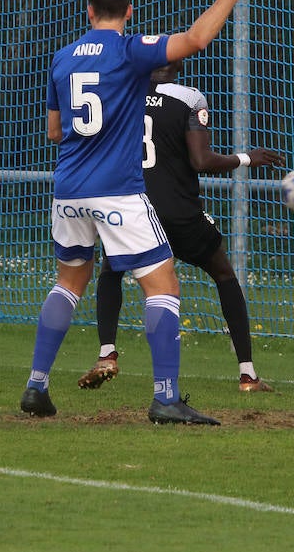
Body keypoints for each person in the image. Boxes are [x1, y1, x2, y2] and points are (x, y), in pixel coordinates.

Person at [21, 0, 255, 425]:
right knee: (163, 284)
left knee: (69, 283)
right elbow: (194, 40)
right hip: (117, 190)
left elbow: (53, 132)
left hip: (67, 189)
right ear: (129, 10)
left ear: (88, 11)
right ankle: (166, 398)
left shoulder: (62, 59)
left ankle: (36, 386)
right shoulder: (129, 51)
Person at [78, 62, 283, 393]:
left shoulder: (121, 97)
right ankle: (248, 375)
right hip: (179, 212)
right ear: (176, 64)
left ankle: (107, 354)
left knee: (111, 269)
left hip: (133, 211)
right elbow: (201, 161)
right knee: (224, 275)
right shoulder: (189, 98)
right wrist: (247, 158)